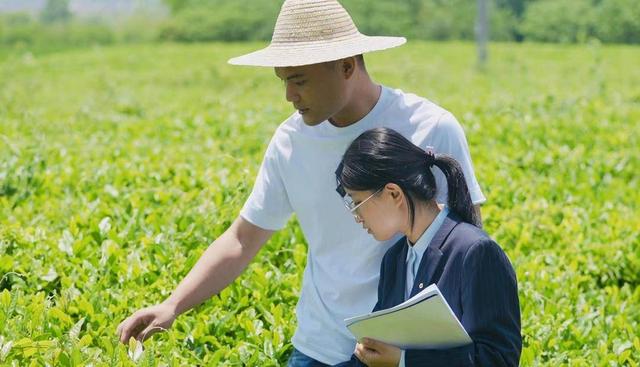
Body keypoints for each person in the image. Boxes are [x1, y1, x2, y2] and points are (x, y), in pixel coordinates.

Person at [116, 0, 487, 365]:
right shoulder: (291, 142)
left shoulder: (430, 128)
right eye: (283, 81)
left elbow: (466, 246)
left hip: (404, 352)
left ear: (345, 66)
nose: (289, 96)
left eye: (298, 81)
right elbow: (242, 239)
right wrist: (172, 306)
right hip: (318, 348)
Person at [333, 128, 521, 367]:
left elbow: (498, 359)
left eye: (357, 203)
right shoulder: (394, 259)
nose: (356, 216)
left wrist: (404, 361)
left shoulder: (475, 252)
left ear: (393, 193)